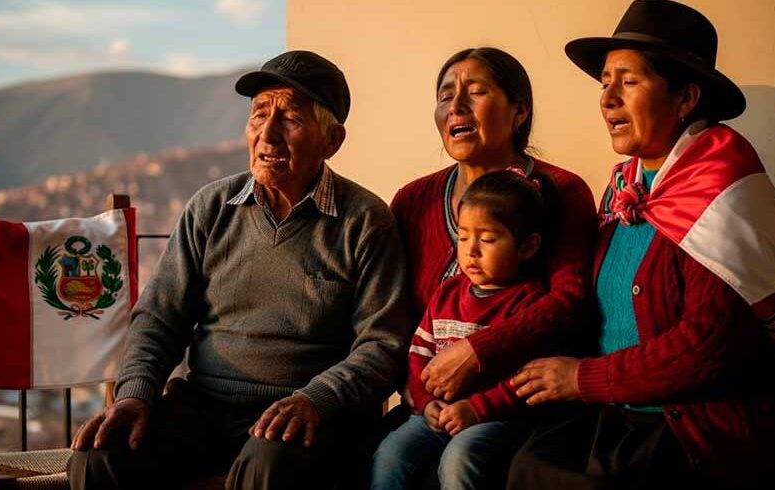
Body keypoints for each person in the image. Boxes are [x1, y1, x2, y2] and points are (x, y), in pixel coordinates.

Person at [505, 1, 775, 488]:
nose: (608, 98)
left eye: (629, 82)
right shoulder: (626, 190)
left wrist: (579, 379)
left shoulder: (724, 188)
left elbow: (707, 348)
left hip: (696, 424)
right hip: (619, 412)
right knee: (521, 461)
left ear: (685, 99)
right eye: (605, 83)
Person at [67, 50, 412, 490]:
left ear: (332, 140)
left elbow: (382, 345)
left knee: (268, 464)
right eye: (258, 115)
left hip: (306, 416)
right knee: (99, 454)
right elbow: (159, 318)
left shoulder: (364, 220)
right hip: (204, 407)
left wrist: (315, 399)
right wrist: (136, 395)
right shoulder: (210, 208)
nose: (267, 135)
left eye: (290, 118)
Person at [390, 47, 597, 412]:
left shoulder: (562, 191)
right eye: (445, 95)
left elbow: (568, 304)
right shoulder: (412, 200)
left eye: (476, 91)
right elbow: (394, 316)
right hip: (430, 405)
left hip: (515, 406)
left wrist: (476, 352)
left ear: (519, 111)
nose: (456, 106)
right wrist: (414, 390)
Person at [372, 169, 563, 490]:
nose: (471, 250)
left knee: (459, 458)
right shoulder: (447, 292)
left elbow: (526, 380)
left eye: (487, 239)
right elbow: (420, 354)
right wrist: (425, 402)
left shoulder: (528, 303)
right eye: (462, 237)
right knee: (391, 453)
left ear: (528, 247)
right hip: (435, 412)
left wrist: (476, 408)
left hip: (493, 417)